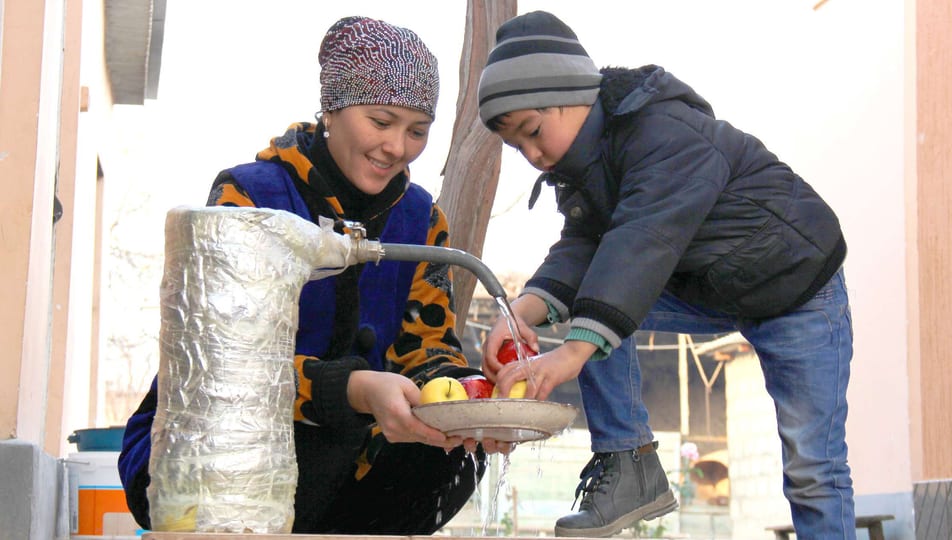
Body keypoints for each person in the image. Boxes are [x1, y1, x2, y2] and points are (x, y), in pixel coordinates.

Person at [119, 15, 509, 534]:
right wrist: (348, 388)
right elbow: (225, 369)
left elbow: (427, 348)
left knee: (457, 446)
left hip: (354, 464)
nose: (398, 147)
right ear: (333, 109)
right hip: (213, 452)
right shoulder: (250, 198)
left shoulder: (421, 219)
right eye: (381, 121)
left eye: (418, 130)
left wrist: (471, 396)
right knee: (299, 437)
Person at [477, 10, 854, 539]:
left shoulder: (664, 134)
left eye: (534, 132)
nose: (533, 155)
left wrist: (570, 353)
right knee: (600, 303)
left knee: (813, 468)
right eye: (518, 146)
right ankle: (630, 463)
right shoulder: (583, 167)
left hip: (798, 286)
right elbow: (586, 246)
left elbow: (641, 241)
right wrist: (521, 313)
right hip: (714, 286)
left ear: (575, 95)